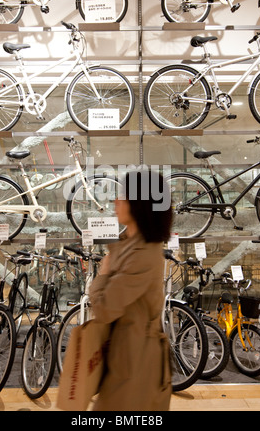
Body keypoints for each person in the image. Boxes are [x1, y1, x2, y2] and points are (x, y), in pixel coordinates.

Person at [89, 169, 173, 411]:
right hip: (124, 355)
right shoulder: (129, 242)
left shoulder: (143, 254)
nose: (117, 200)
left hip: (137, 365)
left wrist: (103, 274)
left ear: (140, 205)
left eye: (124, 195)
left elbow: (104, 309)